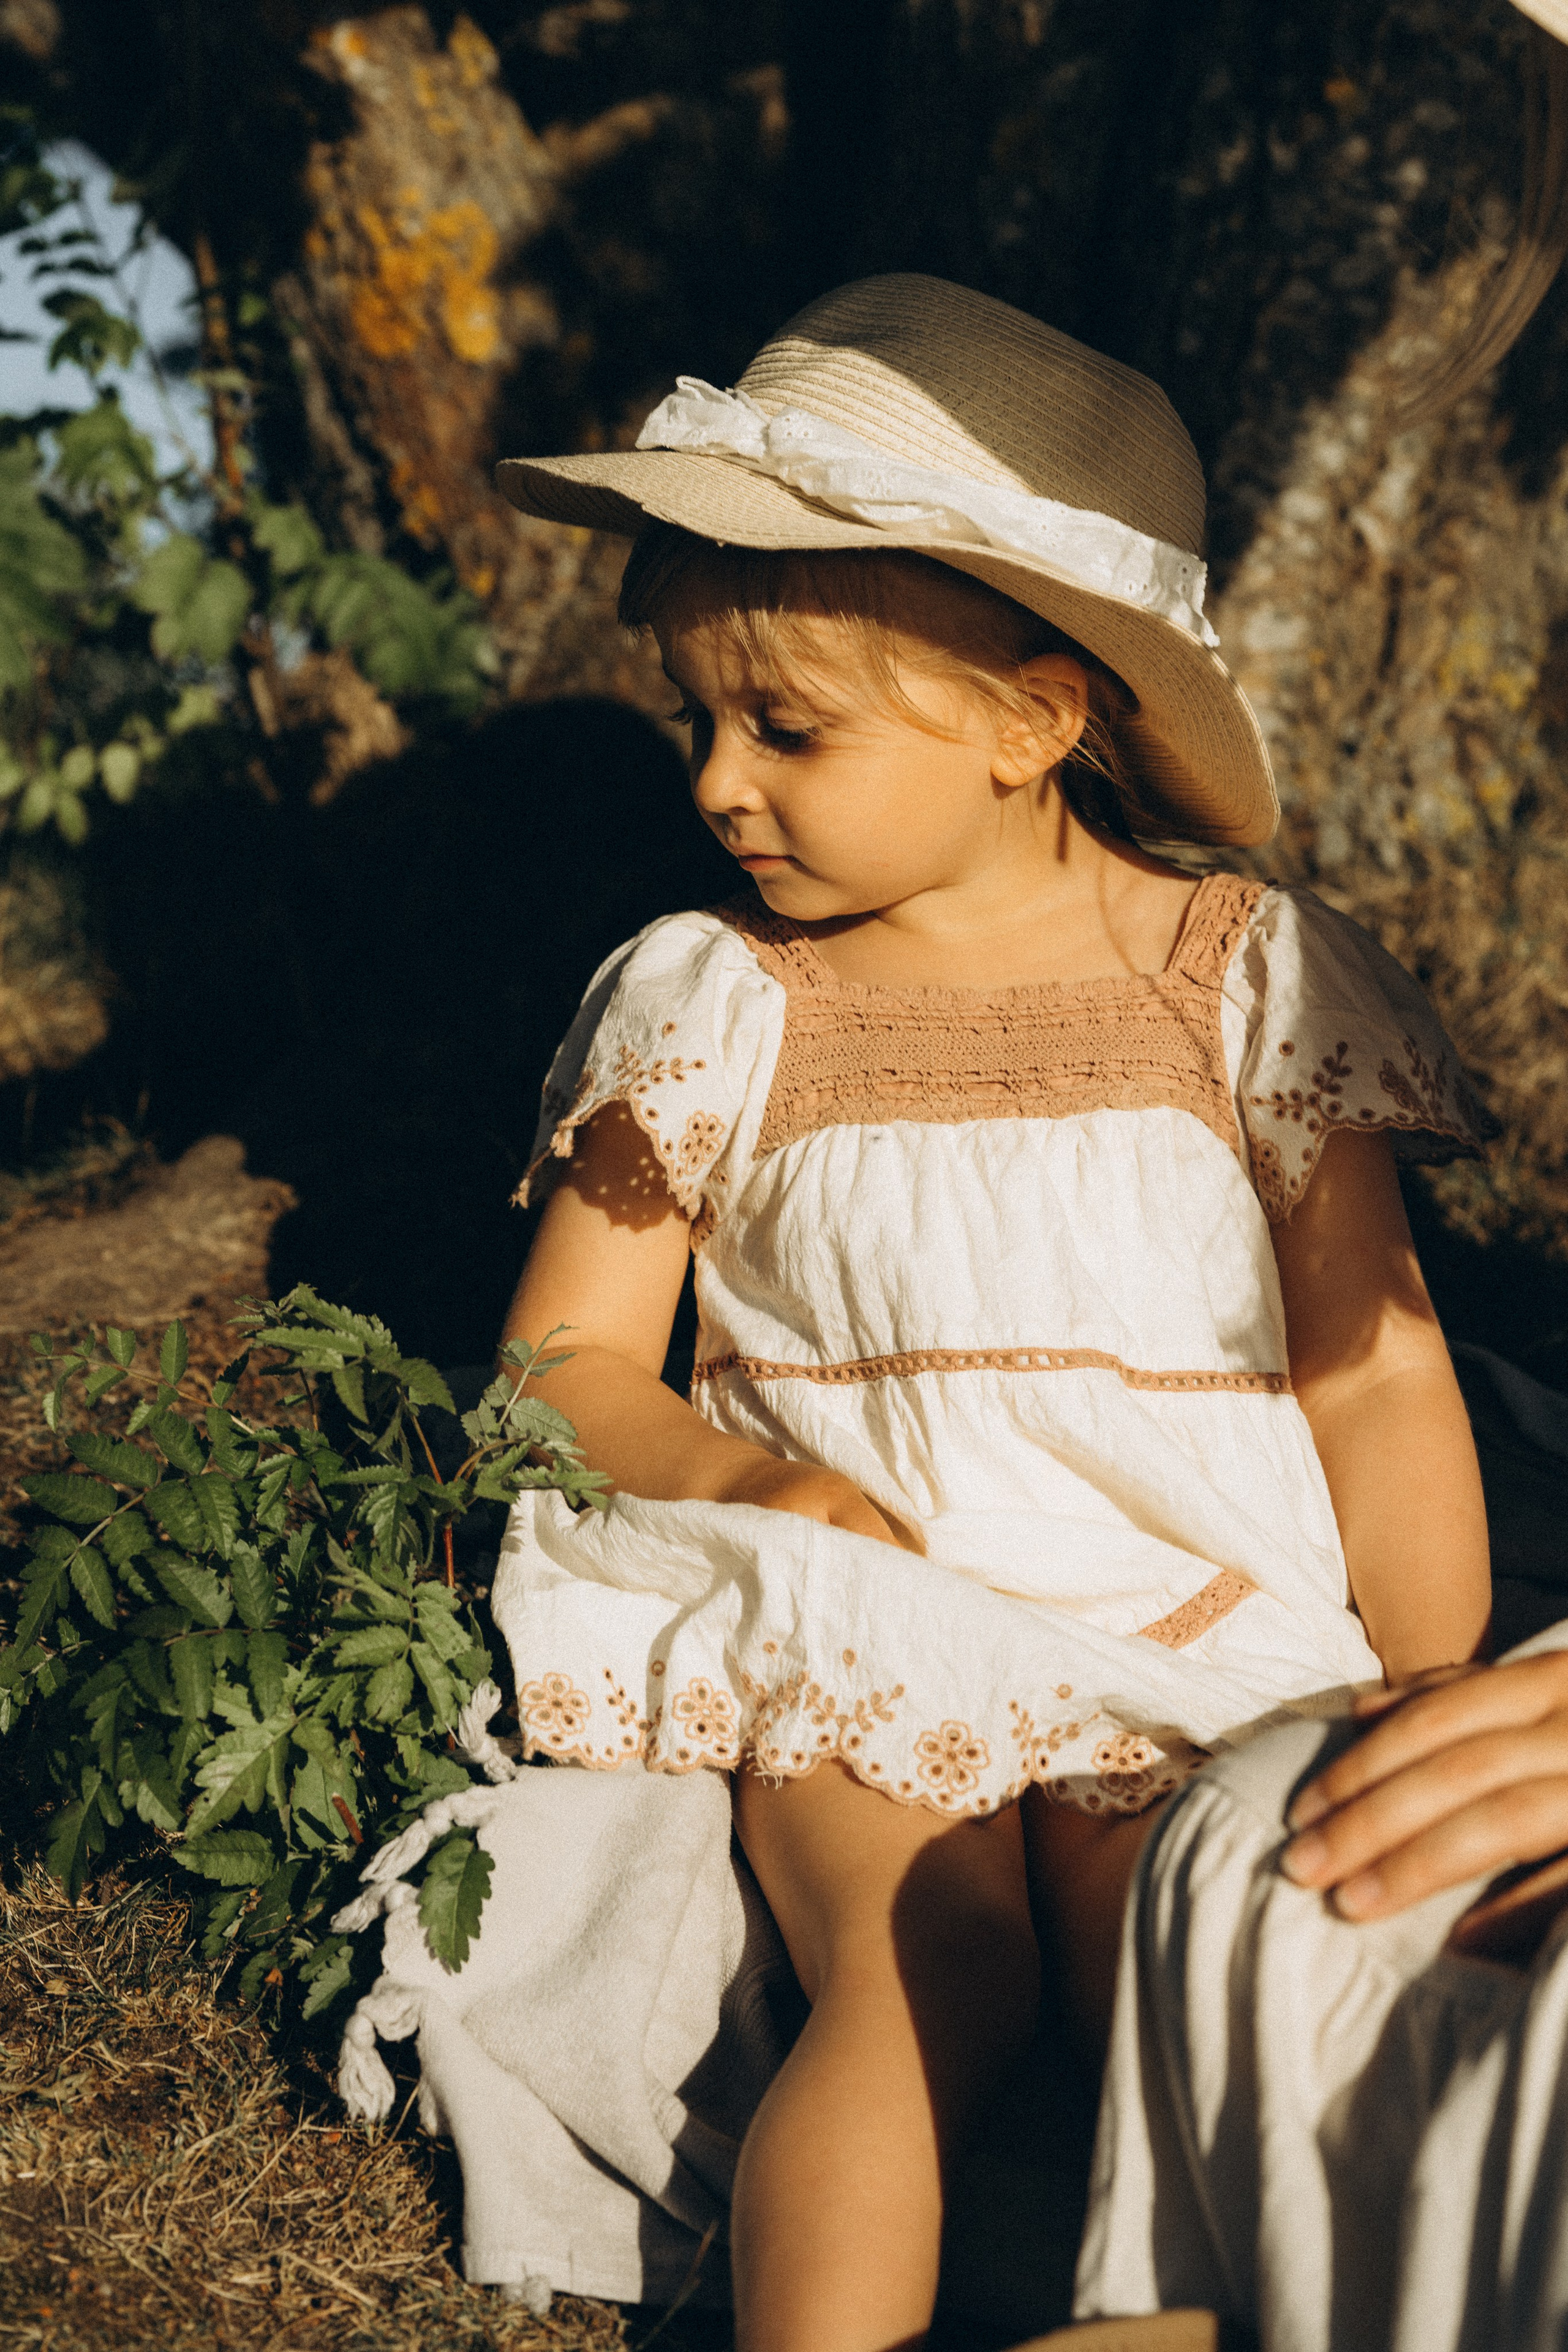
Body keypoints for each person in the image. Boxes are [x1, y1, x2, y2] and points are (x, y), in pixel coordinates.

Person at [486, 272, 1493, 2352]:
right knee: (918, 1965)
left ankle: (1182, 2305)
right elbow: (563, 1364)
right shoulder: (722, 1002)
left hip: (1201, 1616)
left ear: (1039, 718)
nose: (715, 789)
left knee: (1203, 1974)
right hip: (877, 1598)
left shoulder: (1239, 979)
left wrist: (1431, 1674)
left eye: (788, 729)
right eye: (699, 723)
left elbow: (1377, 1373)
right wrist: (736, 1470)